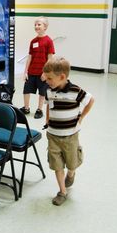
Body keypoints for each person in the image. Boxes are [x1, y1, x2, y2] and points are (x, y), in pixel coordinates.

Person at [42, 56, 94, 206]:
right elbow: (48, 104)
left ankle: (71, 173)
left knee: (72, 164)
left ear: (62, 77)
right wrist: (47, 119)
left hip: (70, 136)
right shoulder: (49, 90)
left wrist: (81, 117)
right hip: (53, 135)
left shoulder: (75, 91)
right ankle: (62, 192)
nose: (47, 81)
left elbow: (91, 100)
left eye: (50, 78)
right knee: (57, 166)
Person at [20, 16, 55, 118]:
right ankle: (26, 108)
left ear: (45, 27)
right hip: (31, 72)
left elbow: (50, 59)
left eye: (39, 24)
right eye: (35, 24)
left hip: (42, 73)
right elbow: (29, 57)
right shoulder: (33, 41)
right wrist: (25, 72)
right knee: (26, 90)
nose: (36, 26)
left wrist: (46, 73)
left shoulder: (49, 41)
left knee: (42, 92)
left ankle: (39, 109)